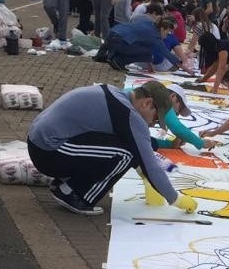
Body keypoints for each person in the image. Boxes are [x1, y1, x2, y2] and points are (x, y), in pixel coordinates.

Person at [27, 81, 198, 216]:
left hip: (40, 143)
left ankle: (66, 184)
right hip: (49, 150)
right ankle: (75, 194)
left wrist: (158, 149)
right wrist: (176, 199)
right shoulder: (129, 114)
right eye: (155, 118)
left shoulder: (116, 94)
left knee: (126, 149)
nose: (152, 123)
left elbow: (140, 142)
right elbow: (150, 165)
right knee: (125, 155)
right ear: (147, 103)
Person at [105, 7, 189, 72]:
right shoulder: (154, 35)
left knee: (143, 48)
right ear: (163, 28)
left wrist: (150, 66)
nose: (169, 35)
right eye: (168, 32)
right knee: (146, 51)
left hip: (111, 35)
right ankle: (119, 60)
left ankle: (114, 57)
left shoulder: (149, 24)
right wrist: (185, 68)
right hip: (117, 40)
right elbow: (167, 54)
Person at [151, 84, 219, 153]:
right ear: (173, 97)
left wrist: (169, 144)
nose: (176, 114)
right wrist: (201, 143)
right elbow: (177, 128)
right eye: (179, 108)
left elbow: (145, 141)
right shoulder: (164, 102)